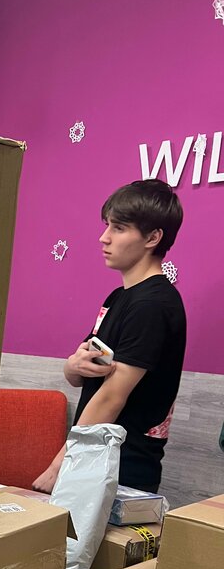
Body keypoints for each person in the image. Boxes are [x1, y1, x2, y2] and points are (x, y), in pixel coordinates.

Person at [33, 179, 186, 495]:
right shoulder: (118, 298)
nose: (104, 238)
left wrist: (59, 466)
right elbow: (80, 375)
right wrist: (74, 365)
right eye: (107, 226)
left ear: (153, 237)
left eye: (119, 228)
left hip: (121, 471)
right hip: (93, 461)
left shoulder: (154, 305)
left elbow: (112, 396)